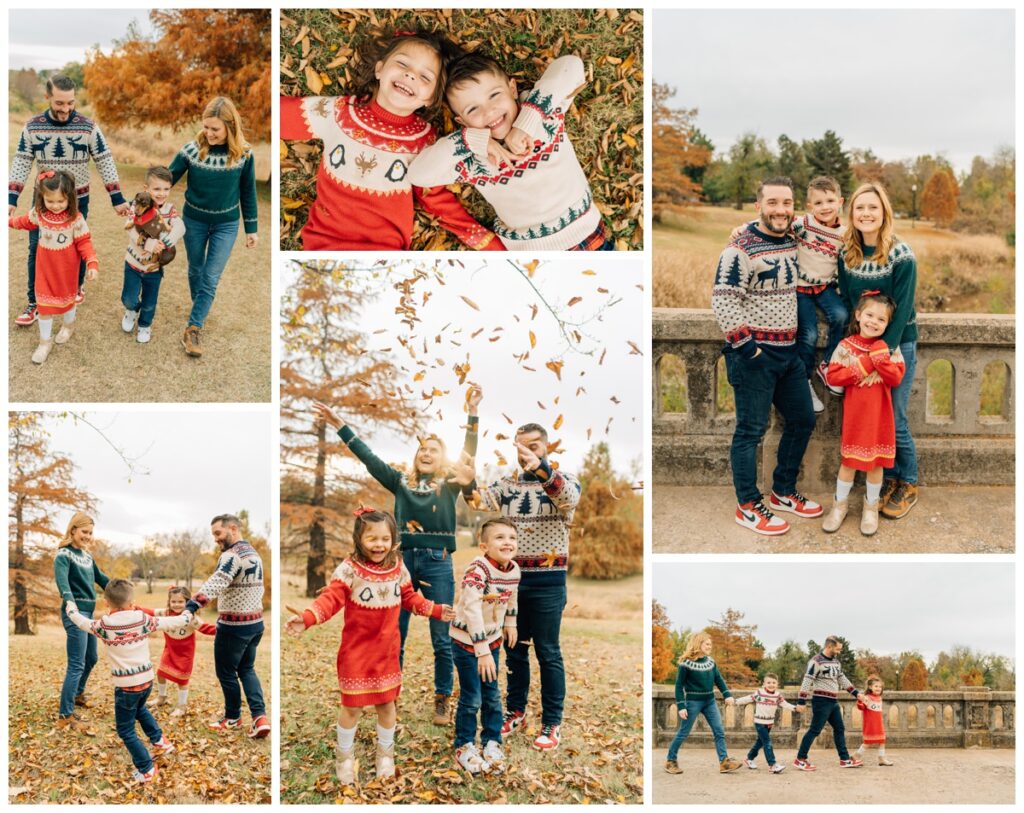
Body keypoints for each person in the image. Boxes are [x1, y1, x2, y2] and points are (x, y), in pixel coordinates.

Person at [313, 387, 480, 726]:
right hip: (399, 563)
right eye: (422, 449)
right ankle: (389, 695)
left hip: (437, 562)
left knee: (441, 635)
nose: (427, 453)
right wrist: (340, 423)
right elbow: (369, 457)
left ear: (442, 458)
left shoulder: (448, 484)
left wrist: (473, 413)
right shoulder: (400, 482)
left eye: (434, 449)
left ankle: (441, 699)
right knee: (394, 635)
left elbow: (467, 457)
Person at [279, 29, 502, 250]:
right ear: (379, 69)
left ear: (431, 98)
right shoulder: (338, 112)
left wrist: (487, 243)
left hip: (384, 250)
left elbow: (435, 198)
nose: (411, 75)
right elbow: (280, 116)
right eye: (403, 64)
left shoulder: (425, 142)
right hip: (325, 244)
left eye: (425, 77)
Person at [285, 508, 454, 784]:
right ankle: (344, 756)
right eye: (372, 538)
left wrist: (435, 610)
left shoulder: (398, 567)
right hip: (356, 653)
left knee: (387, 704)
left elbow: (409, 597)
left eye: (385, 539)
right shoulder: (349, 569)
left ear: (393, 539)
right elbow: (331, 598)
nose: (379, 545)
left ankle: (385, 755)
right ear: (359, 539)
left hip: (386, 652)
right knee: (352, 707)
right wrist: (307, 618)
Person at [407, 52, 612, 251]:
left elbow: (571, 66)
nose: (489, 111)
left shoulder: (545, 116)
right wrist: (469, 140)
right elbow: (419, 175)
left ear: (512, 89)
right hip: (533, 254)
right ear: (462, 122)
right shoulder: (473, 162)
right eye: (472, 110)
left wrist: (526, 122)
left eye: (494, 95)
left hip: (589, 237)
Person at [711, 176, 821, 536]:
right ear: (758, 206)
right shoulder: (739, 249)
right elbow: (724, 300)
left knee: (803, 419)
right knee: (750, 431)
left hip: (789, 356)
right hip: (754, 356)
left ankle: (782, 491)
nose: (780, 210)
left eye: (787, 203)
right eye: (772, 203)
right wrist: (749, 349)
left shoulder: (792, 237)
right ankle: (748, 504)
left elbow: (826, 225)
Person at [472, 422, 582, 752]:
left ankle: (552, 722)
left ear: (547, 447)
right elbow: (478, 501)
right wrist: (466, 480)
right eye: (521, 447)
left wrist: (542, 469)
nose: (526, 453)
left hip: (548, 582)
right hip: (511, 582)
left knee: (548, 652)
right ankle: (515, 711)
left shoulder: (565, 479)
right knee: (514, 650)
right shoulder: (506, 485)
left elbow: (567, 498)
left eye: (533, 446)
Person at [8, 72, 128, 325]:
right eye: (59, 103)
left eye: (70, 103)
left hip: (76, 200)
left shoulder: (88, 127)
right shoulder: (32, 127)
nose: (66, 109)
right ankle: (34, 301)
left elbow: (104, 160)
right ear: (47, 97)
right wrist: (11, 197)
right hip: (44, 200)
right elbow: (21, 161)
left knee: (75, 246)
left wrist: (117, 198)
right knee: (36, 249)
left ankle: (74, 288)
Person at [838, 183, 920, 519]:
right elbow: (847, 300)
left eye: (873, 207)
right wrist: (857, 350)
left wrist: (881, 353)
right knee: (874, 422)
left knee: (895, 419)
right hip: (862, 347)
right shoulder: (848, 254)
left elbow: (902, 312)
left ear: (884, 212)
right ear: (852, 214)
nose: (866, 214)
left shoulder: (902, 256)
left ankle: (909, 482)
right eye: (860, 208)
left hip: (897, 344)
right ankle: (884, 481)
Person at [65, 579, 193, 783]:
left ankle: (146, 769)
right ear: (132, 601)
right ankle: (161, 742)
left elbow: (82, 622)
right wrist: (188, 613)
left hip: (126, 687)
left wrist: (71, 608)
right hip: (147, 681)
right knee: (140, 710)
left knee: (125, 729)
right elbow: (172, 622)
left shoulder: (104, 625)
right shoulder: (142, 619)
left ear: (107, 603)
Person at [169, 97, 258, 358]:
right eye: (206, 127)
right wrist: (147, 199)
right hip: (193, 221)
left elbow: (247, 191)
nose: (209, 133)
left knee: (210, 276)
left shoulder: (244, 154)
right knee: (196, 269)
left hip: (226, 225)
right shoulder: (191, 151)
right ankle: (201, 307)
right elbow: (167, 178)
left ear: (230, 127)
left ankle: (193, 326)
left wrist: (251, 229)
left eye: (215, 129)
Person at [822, 292, 905, 535]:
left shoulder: (889, 347)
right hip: (856, 419)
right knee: (848, 462)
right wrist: (866, 363)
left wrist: (880, 358)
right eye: (869, 315)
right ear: (858, 315)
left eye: (881, 319)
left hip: (880, 417)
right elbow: (834, 377)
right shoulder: (845, 346)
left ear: (888, 324)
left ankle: (870, 509)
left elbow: (897, 377)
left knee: (875, 464)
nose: (873, 322)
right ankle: (839, 506)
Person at [184, 514, 269, 738]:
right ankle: (260, 718)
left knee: (226, 672)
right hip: (256, 624)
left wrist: (193, 604)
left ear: (233, 528)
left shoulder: (231, 556)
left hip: (234, 627)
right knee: (247, 669)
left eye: (218, 533)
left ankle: (232, 718)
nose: (215, 539)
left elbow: (218, 581)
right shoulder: (253, 554)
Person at [448, 517, 520, 774]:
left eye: (512, 537)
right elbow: (471, 609)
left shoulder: (513, 570)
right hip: (468, 642)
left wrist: (510, 624)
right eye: (500, 538)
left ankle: (492, 741)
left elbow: (511, 597)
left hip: (492, 640)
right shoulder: (477, 571)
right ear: (484, 546)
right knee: (472, 697)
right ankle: (464, 746)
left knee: (492, 694)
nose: (507, 542)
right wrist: (482, 652)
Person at [9, 170, 98, 364]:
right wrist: (7, 221)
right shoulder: (39, 214)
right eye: (50, 201)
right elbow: (24, 221)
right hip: (44, 272)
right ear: (42, 198)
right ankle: (44, 342)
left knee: (68, 301)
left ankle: (68, 326)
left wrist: (91, 262)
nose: (56, 206)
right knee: (44, 306)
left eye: (61, 201)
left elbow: (84, 242)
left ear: (70, 198)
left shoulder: (76, 219)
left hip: (66, 273)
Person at [53, 512, 109, 732]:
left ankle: (78, 694)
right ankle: (64, 716)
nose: (88, 536)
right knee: (76, 663)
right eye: (84, 532)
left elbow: (102, 578)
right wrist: (70, 603)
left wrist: (120, 589)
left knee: (91, 658)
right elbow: (63, 582)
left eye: (90, 533)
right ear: (73, 530)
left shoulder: (87, 556)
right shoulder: (63, 555)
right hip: (74, 613)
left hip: (89, 614)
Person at [120, 166, 186, 344]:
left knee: (150, 302)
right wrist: (147, 243)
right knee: (128, 298)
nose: (161, 193)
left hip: (153, 269)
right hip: (134, 263)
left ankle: (144, 325)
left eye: (166, 189)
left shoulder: (170, 210)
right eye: (157, 189)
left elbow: (180, 227)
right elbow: (130, 228)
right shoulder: (138, 205)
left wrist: (166, 242)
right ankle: (131, 311)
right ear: (146, 189)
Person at [664, 632, 742, 775]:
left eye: (710, 644)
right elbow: (678, 686)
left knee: (719, 731)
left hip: (709, 701)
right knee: (683, 732)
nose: (709, 646)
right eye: (707, 644)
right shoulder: (685, 663)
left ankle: (724, 762)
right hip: (692, 702)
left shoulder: (711, 662)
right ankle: (670, 761)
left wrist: (727, 695)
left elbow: (719, 679)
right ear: (698, 643)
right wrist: (681, 706)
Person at [145, 586, 217, 717]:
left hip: (185, 654)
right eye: (174, 602)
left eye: (180, 602)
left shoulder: (190, 617)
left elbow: (206, 628)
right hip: (170, 650)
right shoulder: (165, 613)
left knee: (182, 680)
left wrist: (224, 630)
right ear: (169, 602)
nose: (176, 605)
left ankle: (181, 706)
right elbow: (149, 612)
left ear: (188, 602)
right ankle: (162, 697)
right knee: (161, 673)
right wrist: (132, 608)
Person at [794, 636, 862, 771]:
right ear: (829, 646)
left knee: (840, 728)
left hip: (833, 701)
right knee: (815, 730)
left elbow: (842, 679)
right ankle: (800, 759)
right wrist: (801, 701)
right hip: (821, 701)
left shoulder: (836, 662)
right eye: (837, 648)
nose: (839, 651)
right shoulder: (816, 661)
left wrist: (857, 694)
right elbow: (807, 681)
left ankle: (844, 759)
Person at [735, 672, 801, 773]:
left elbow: (785, 704)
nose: (771, 684)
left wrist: (795, 708)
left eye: (774, 682)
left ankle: (749, 759)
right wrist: (735, 701)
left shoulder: (778, 696)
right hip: (759, 722)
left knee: (760, 742)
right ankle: (772, 765)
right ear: (764, 684)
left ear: (777, 684)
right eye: (769, 682)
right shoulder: (759, 693)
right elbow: (748, 698)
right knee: (767, 742)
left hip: (769, 723)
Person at [855, 675, 893, 766]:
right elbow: (861, 707)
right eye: (876, 686)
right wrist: (860, 701)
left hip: (878, 723)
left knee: (882, 740)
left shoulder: (879, 698)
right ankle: (856, 756)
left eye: (880, 687)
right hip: (870, 724)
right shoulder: (867, 697)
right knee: (867, 742)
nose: (878, 688)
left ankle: (881, 759)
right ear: (870, 687)